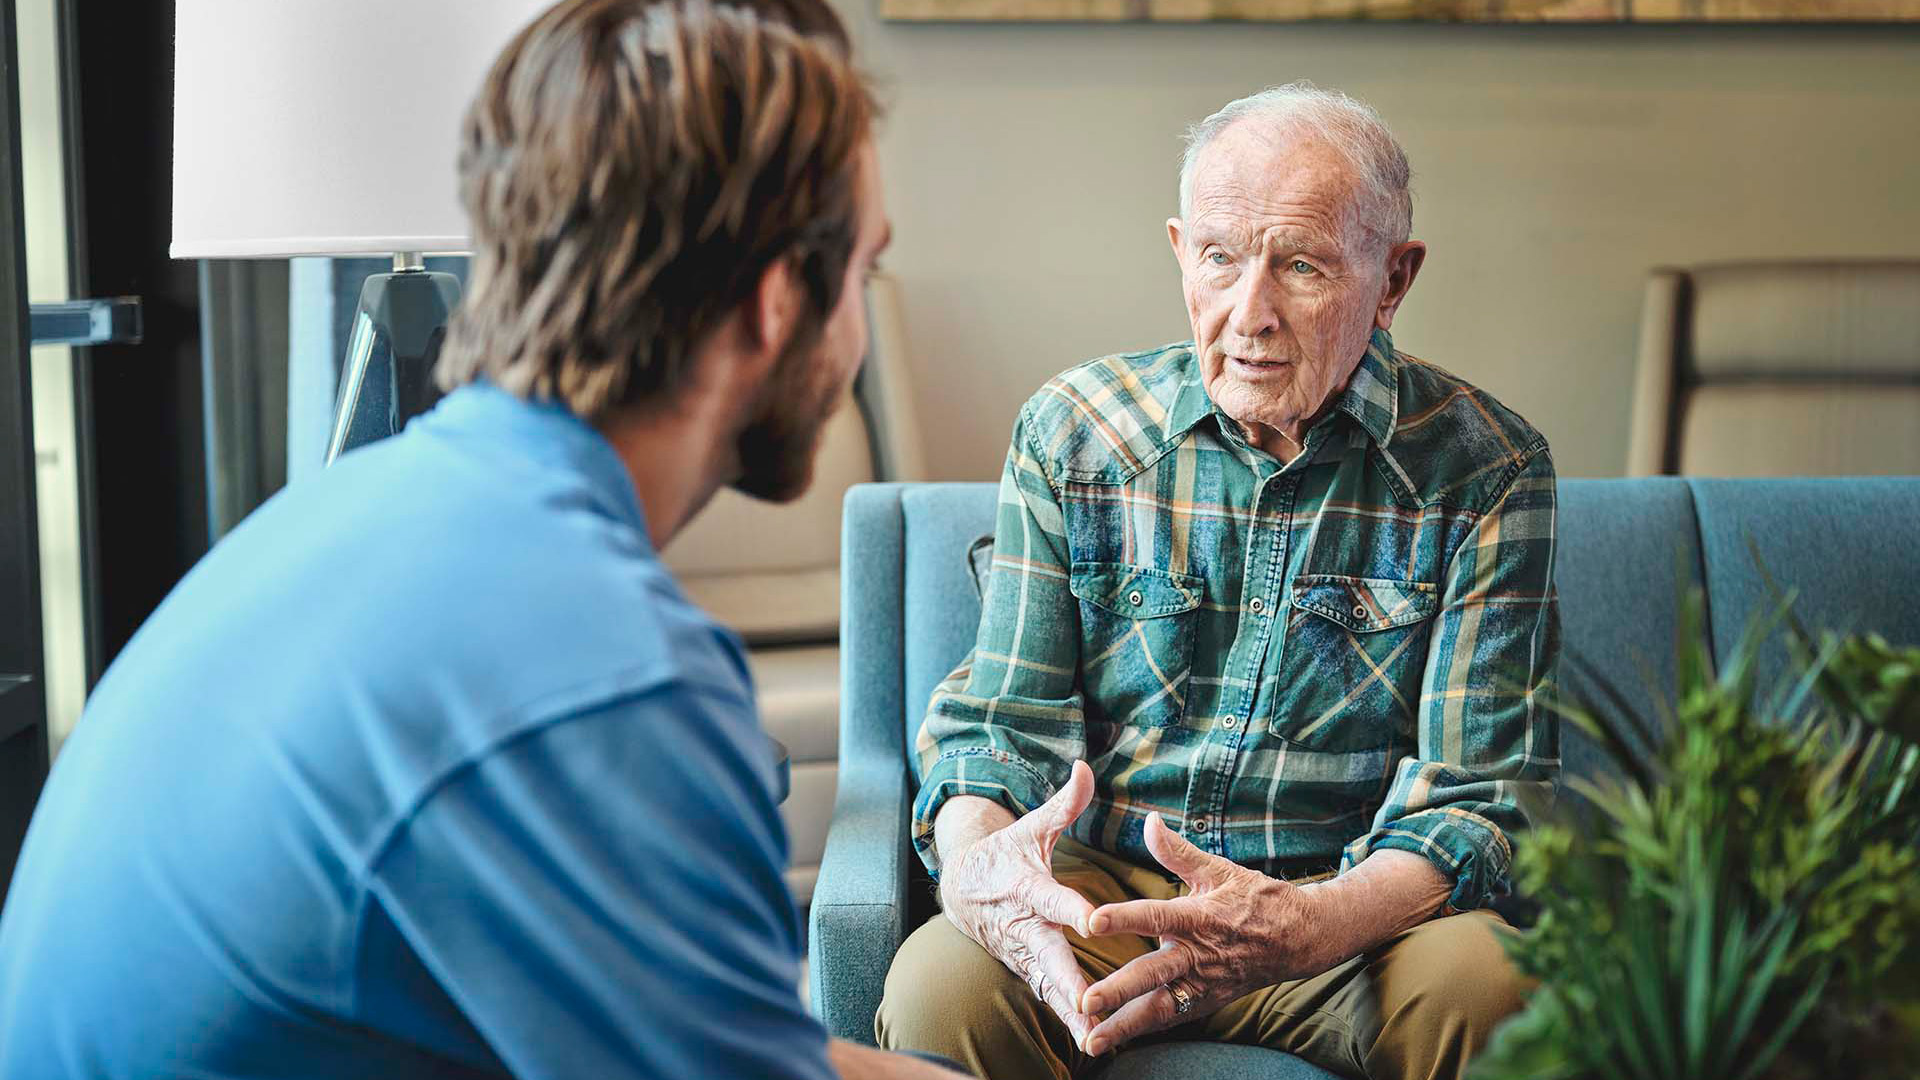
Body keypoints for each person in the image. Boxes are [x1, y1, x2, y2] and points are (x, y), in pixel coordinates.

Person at [0, 1, 961, 1077]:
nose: (859, 324)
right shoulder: (603, 673)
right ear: (778, 299)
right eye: (862, 272)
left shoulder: (357, 517)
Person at [877, 83, 1560, 1080]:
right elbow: (999, 726)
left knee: (1488, 987)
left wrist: (1311, 921)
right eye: (1219, 258)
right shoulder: (1075, 433)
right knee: (941, 989)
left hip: (1346, 916)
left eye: (1302, 266)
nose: (1251, 316)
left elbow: (1478, 795)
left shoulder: (1486, 468)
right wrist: (987, 863)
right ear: (1179, 252)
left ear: (1393, 279)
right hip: (1106, 900)